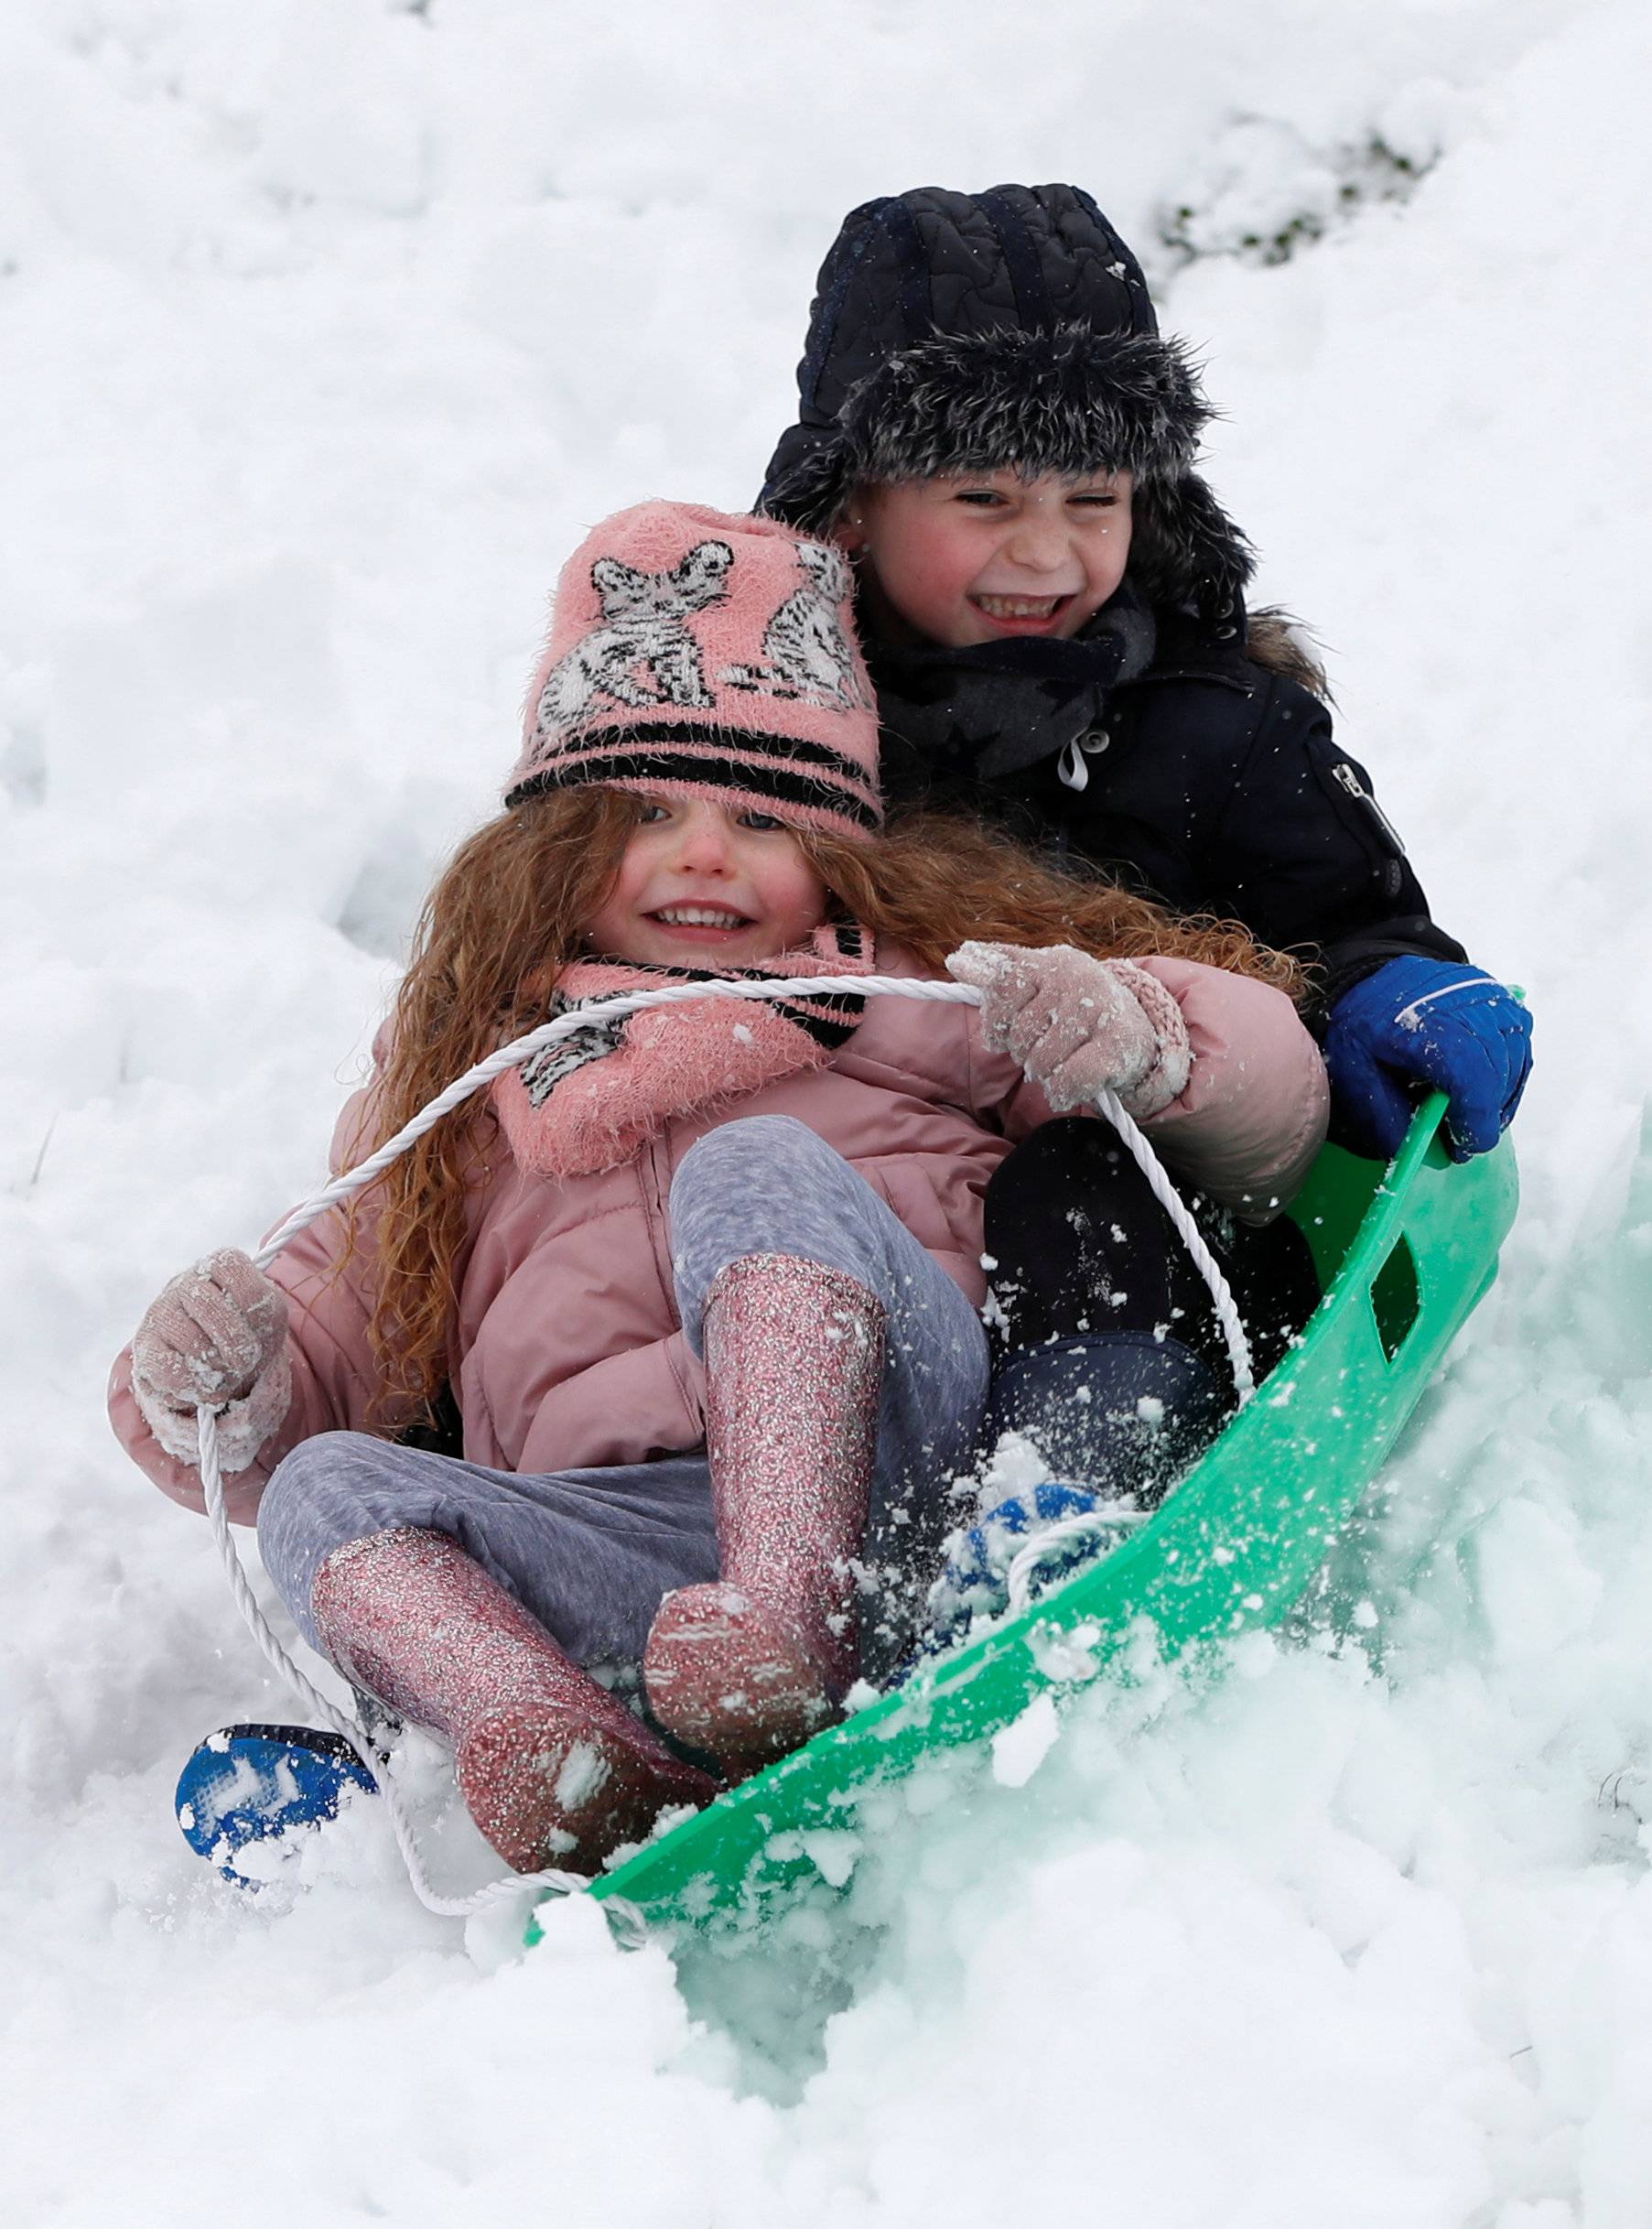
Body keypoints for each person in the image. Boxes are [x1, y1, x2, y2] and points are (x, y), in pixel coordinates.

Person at [111, 502, 1328, 1877]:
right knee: (325, 1489)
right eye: (644, 813)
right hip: (628, 1558)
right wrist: (231, 1384)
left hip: (907, 1466)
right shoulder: (473, 1079)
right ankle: (548, 1741)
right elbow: (337, 1318)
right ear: (550, 845)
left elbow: (1262, 1116)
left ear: (839, 847)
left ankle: (791, 1608)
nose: (702, 853)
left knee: (749, 1166)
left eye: (759, 814)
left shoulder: (918, 986)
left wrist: (1144, 1038)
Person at [755, 181, 1531, 1476]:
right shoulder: (767, 730)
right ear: (850, 506)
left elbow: (1346, 922)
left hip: (1155, 1240)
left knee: (1075, 1182)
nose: (1046, 554)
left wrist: (1396, 993)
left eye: (1093, 499)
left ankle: (1072, 1489)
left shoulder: (1213, 723)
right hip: (862, 1225)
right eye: (985, 500)